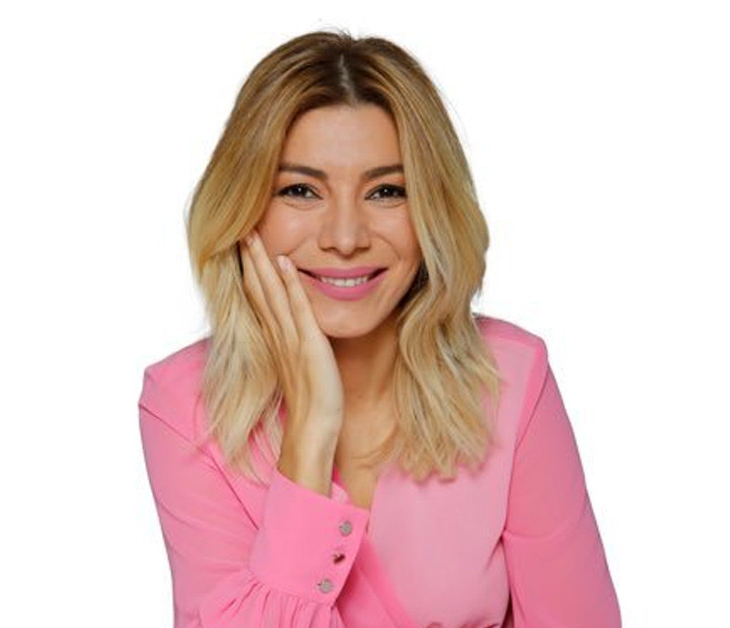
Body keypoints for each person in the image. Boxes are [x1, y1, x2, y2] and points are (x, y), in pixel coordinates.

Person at [137, 28, 621, 627]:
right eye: (300, 190)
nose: (345, 238)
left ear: (432, 210)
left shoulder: (510, 379)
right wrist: (310, 431)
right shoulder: (184, 405)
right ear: (244, 211)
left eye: (387, 191)